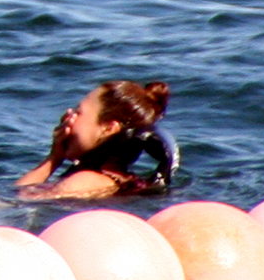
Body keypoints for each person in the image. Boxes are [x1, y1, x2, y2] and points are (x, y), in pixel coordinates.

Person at [14, 80, 178, 202]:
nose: (68, 116)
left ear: (108, 128)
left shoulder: (84, 182)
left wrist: (51, 161)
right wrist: (55, 156)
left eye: (78, 112)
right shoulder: (124, 181)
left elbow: (16, 201)